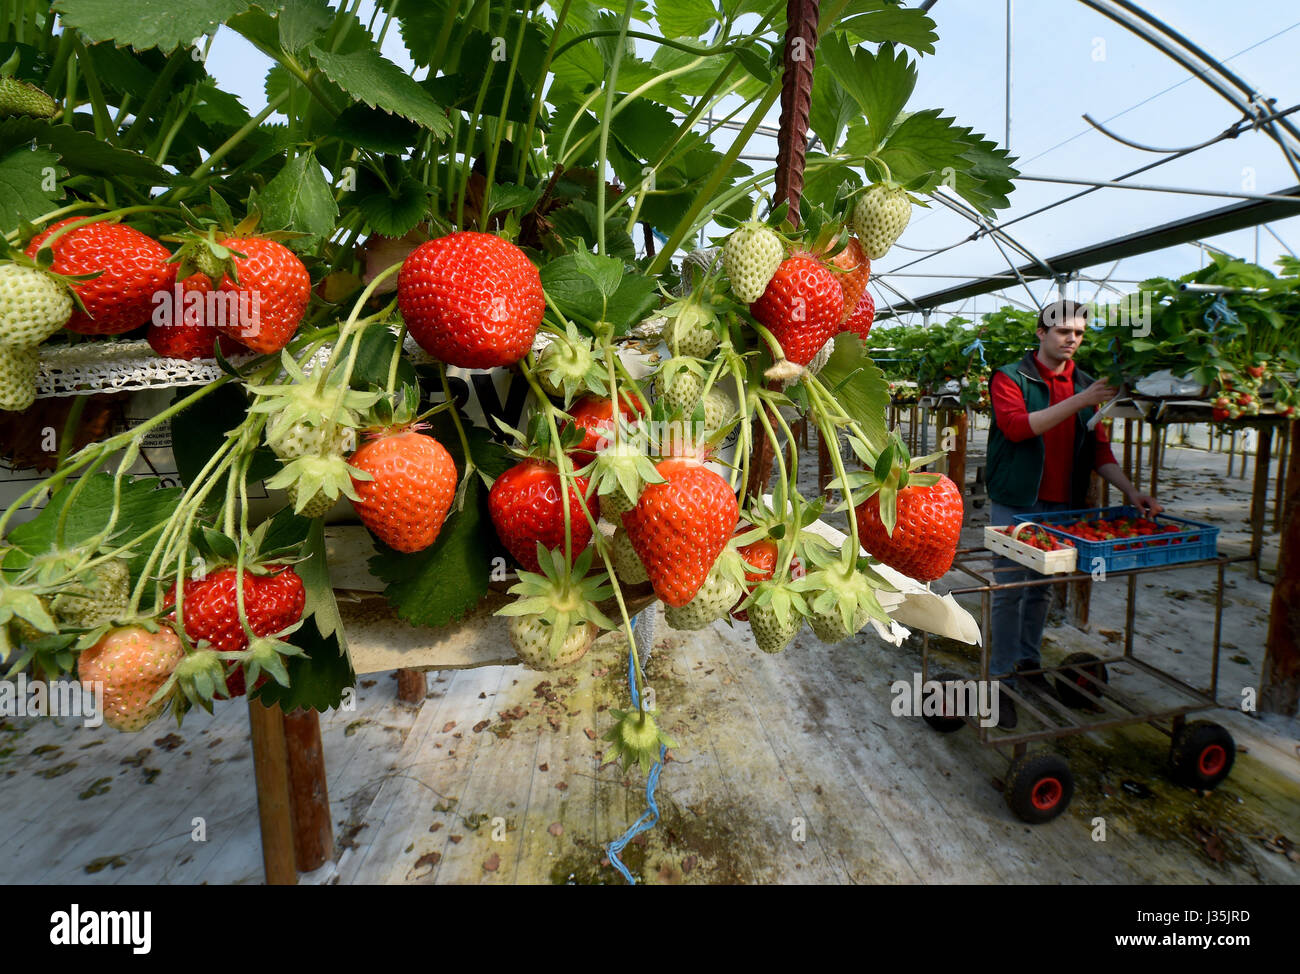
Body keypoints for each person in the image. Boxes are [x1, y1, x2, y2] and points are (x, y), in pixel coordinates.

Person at [985, 299, 1162, 729]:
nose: (1072, 339)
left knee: (1042, 589)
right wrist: (1080, 399)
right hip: (1017, 500)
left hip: (1061, 505)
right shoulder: (1011, 377)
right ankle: (999, 680)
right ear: (1041, 333)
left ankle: (1028, 663)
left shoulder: (1085, 384)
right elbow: (1018, 427)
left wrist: (1133, 491)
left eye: (1079, 333)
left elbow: (1099, 449)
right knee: (1009, 590)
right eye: (1064, 331)